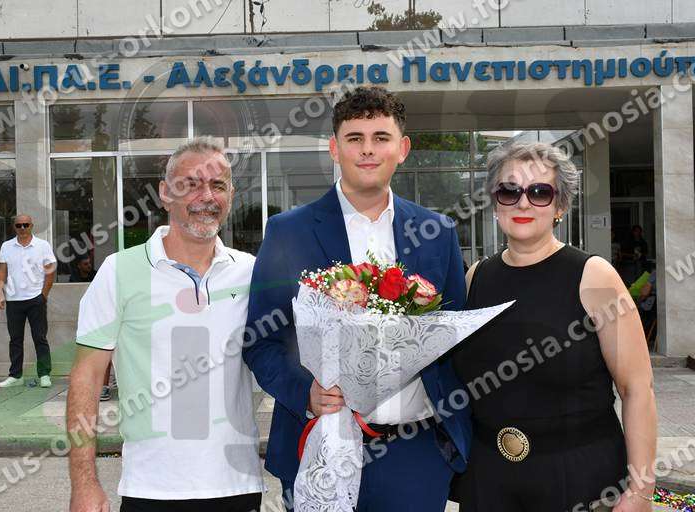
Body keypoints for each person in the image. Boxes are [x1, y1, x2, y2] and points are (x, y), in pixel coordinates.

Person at [243, 86, 470, 511]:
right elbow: (260, 341)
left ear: (402, 149)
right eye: (354, 138)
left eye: (381, 138)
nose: (368, 149)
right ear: (335, 148)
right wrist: (305, 393)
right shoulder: (288, 232)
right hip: (320, 444)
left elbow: (455, 337)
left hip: (415, 453)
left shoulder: (437, 232)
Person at [452, 142, 657, 512]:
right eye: (509, 191)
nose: (523, 203)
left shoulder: (595, 277)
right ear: (495, 203)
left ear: (560, 206)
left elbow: (637, 388)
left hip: (578, 477)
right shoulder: (475, 278)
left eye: (539, 192)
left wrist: (641, 489)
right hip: (489, 478)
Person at [67, 137, 264, 512]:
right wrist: (84, 483)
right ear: (165, 193)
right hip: (151, 490)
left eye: (217, 185)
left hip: (238, 485)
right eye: (191, 184)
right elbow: (86, 378)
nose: (206, 197)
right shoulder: (118, 272)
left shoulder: (252, 272)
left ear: (231, 195)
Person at [0, 215, 57, 388]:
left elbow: (50, 270)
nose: (22, 228)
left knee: (40, 338)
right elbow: (2, 271)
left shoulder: (43, 245)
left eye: (26, 225)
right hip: (13, 300)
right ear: (14, 227)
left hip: (36, 299)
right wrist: (0, 293)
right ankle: (16, 376)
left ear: (31, 225)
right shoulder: (7, 246)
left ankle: (44, 374)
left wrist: (43, 295)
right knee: (15, 339)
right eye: (19, 225)